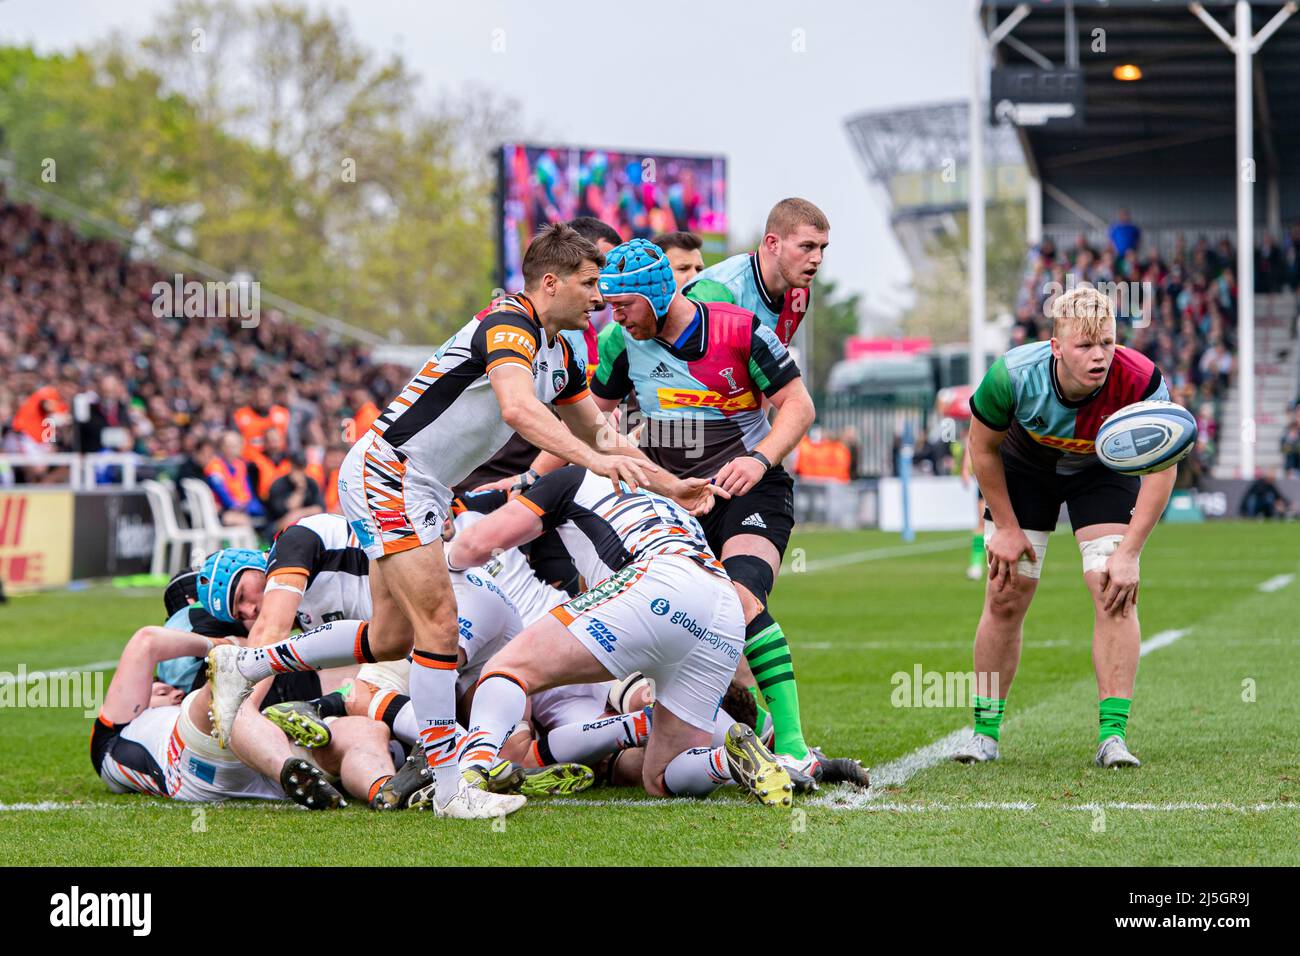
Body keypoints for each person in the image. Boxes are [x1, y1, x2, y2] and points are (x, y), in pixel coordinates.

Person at [206, 223, 712, 820]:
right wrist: (597, 459)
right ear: (549, 283)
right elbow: (519, 408)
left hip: (412, 483)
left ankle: (247, 662)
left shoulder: (566, 349)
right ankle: (451, 787)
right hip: (389, 474)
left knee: (390, 638)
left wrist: (670, 484)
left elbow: (601, 433)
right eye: (588, 283)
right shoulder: (508, 322)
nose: (600, 298)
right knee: (440, 628)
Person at [447, 465, 793, 807]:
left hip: (657, 585)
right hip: (721, 604)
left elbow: (473, 547)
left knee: (506, 669)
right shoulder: (659, 499)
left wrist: (430, 562)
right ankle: (730, 760)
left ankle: (470, 772)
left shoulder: (570, 478)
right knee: (659, 777)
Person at [954, 285, 1178, 769]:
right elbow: (982, 448)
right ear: (1056, 347)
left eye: (1107, 343)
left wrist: (1130, 553)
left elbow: (1163, 468)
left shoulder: (1140, 380)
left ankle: (1113, 737)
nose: (1099, 356)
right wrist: (1007, 529)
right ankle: (984, 732)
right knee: (1005, 592)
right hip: (1025, 466)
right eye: (1085, 345)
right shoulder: (1012, 375)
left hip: (1101, 469)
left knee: (1111, 584)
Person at [683, 197, 829, 347]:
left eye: (822, 248)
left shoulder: (799, 295)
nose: (818, 258)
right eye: (807, 246)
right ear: (773, 244)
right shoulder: (720, 290)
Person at [264, 451, 324, 532]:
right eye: (297, 467)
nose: (299, 471)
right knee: (288, 522)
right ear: (291, 466)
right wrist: (299, 489)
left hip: (303, 523)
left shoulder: (311, 483)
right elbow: (285, 511)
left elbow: (319, 509)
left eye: (301, 467)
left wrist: (298, 514)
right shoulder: (279, 484)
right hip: (278, 525)